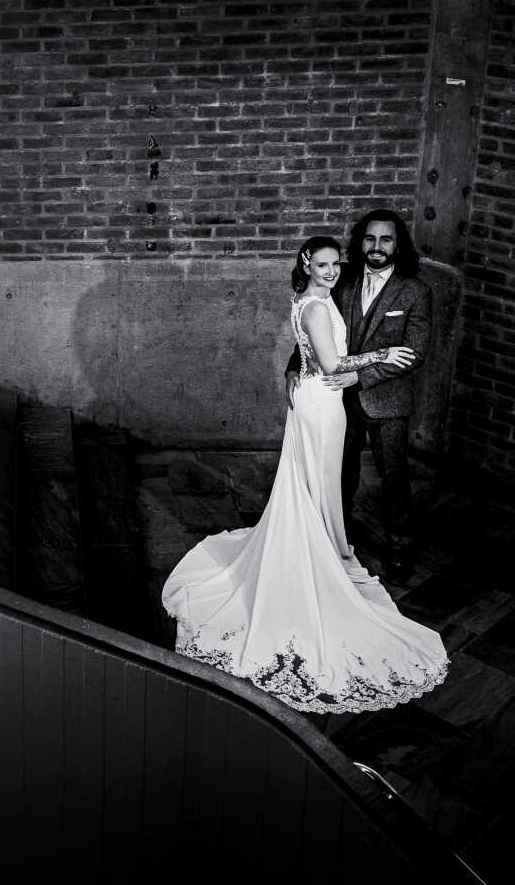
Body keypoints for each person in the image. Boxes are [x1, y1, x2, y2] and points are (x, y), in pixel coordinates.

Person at [161, 236, 449, 713]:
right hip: (322, 404)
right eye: (323, 264)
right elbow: (333, 363)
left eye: (337, 263)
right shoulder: (316, 307)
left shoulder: (309, 299)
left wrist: (306, 366)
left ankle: (326, 544)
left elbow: (313, 357)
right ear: (306, 264)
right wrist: (381, 355)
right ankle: (318, 554)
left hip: (317, 399)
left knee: (313, 481)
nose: (333, 270)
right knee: (317, 479)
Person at [285, 209, 432, 584]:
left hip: (387, 403)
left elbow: (415, 351)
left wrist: (359, 377)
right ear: (360, 242)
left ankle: (399, 548)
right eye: (370, 238)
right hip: (338, 401)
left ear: (398, 244)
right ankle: (336, 539)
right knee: (340, 473)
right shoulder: (343, 276)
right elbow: (315, 330)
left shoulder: (415, 291)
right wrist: (293, 366)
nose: (377, 246)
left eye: (386, 239)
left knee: (394, 478)